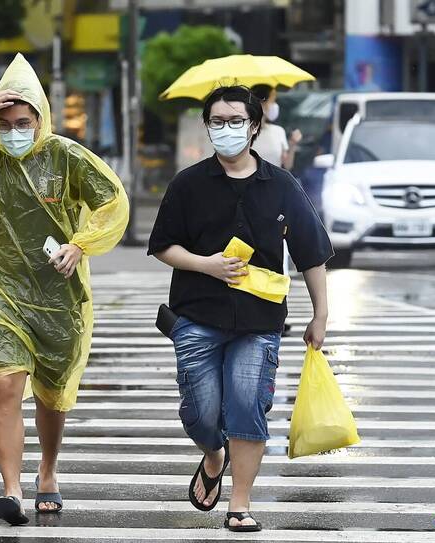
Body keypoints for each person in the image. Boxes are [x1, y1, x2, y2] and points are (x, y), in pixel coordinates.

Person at [0, 53, 129, 526]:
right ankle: (11, 491)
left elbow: (112, 204)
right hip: (0, 294)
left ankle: (47, 472)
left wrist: (80, 245)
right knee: (6, 385)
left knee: (52, 400)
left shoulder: (67, 157)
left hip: (58, 298)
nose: (15, 131)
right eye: (7, 122)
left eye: (23, 122)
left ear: (41, 119)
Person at [148, 85, 332, 532]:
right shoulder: (188, 184)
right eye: (217, 121)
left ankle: (240, 503)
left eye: (236, 121)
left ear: (254, 126)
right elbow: (163, 245)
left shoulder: (282, 186)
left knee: (248, 406)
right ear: (207, 127)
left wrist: (320, 314)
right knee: (202, 413)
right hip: (196, 315)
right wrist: (205, 265)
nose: (226, 129)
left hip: (259, 321)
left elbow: (311, 252)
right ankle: (213, 455)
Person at [252, 84, 301, 170]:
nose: (275, 105)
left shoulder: (278, 131)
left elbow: (287, 165)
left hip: (275, 181)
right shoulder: (246, 133)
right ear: (261, 103)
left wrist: (293, 144)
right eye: (273, 101)